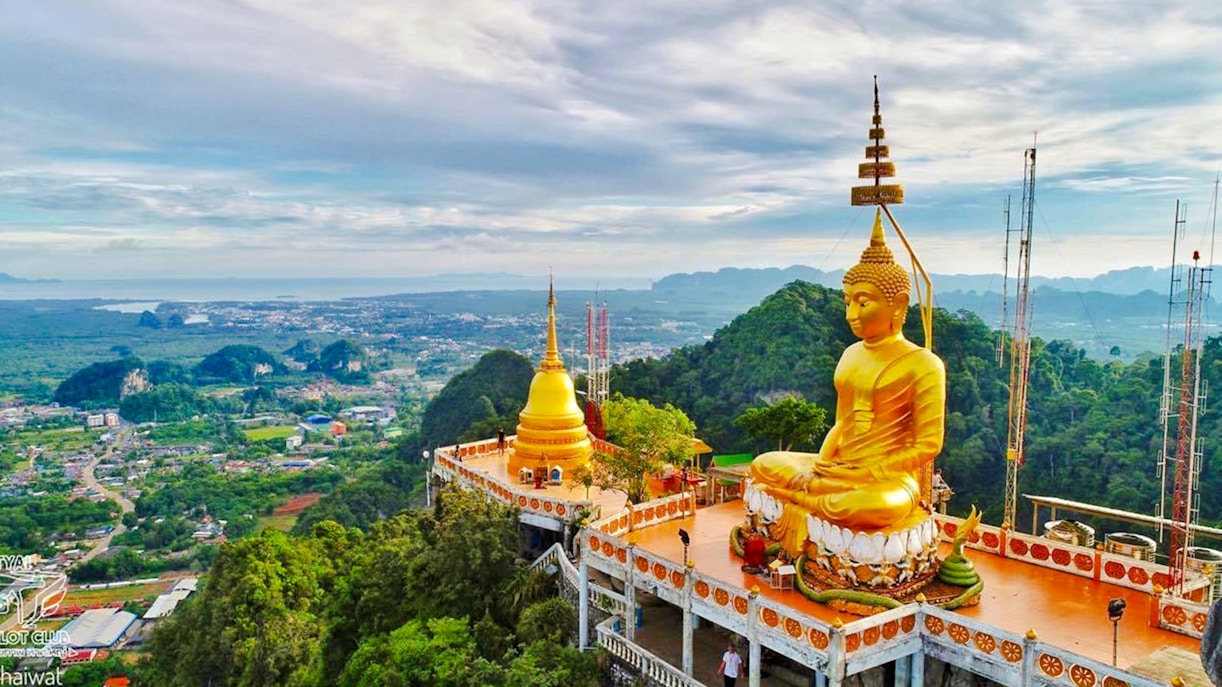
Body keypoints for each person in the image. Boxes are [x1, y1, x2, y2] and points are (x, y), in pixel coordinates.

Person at [749, 210, 946, 554]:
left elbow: (927, 445)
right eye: (848, 301)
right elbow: (843, 422)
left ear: (898, 303)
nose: (850, 314)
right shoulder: (851, 354)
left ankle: (796, 498)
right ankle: (808, 494)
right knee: (764, 463)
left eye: (863, 302)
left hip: (885, 478)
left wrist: (871, 471)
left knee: (879, 507)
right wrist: (823, 463)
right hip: (837, 469)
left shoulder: (924, 364)